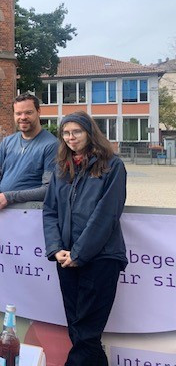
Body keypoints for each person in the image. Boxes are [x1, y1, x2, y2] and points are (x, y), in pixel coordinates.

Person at [43, 111, 127, 366]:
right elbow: (50, 211)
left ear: (90, 133)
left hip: (101, 259)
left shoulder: (112, 166)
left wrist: (79, 253)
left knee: (87, 333)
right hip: (66, 259)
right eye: (66, 133)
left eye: (76, 132)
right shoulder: (62, 168)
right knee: (79, 332)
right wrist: (56, 248)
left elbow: (106, 215)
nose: (71, 137)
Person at [0, 93, 57, 210]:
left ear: (38, 112)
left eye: (28, 112)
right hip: (2, 210)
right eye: (18, 113)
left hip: (30, 213)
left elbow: (49, 189)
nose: (23, 117)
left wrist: (10, 197)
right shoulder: (7, 142)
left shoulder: (51, 145)